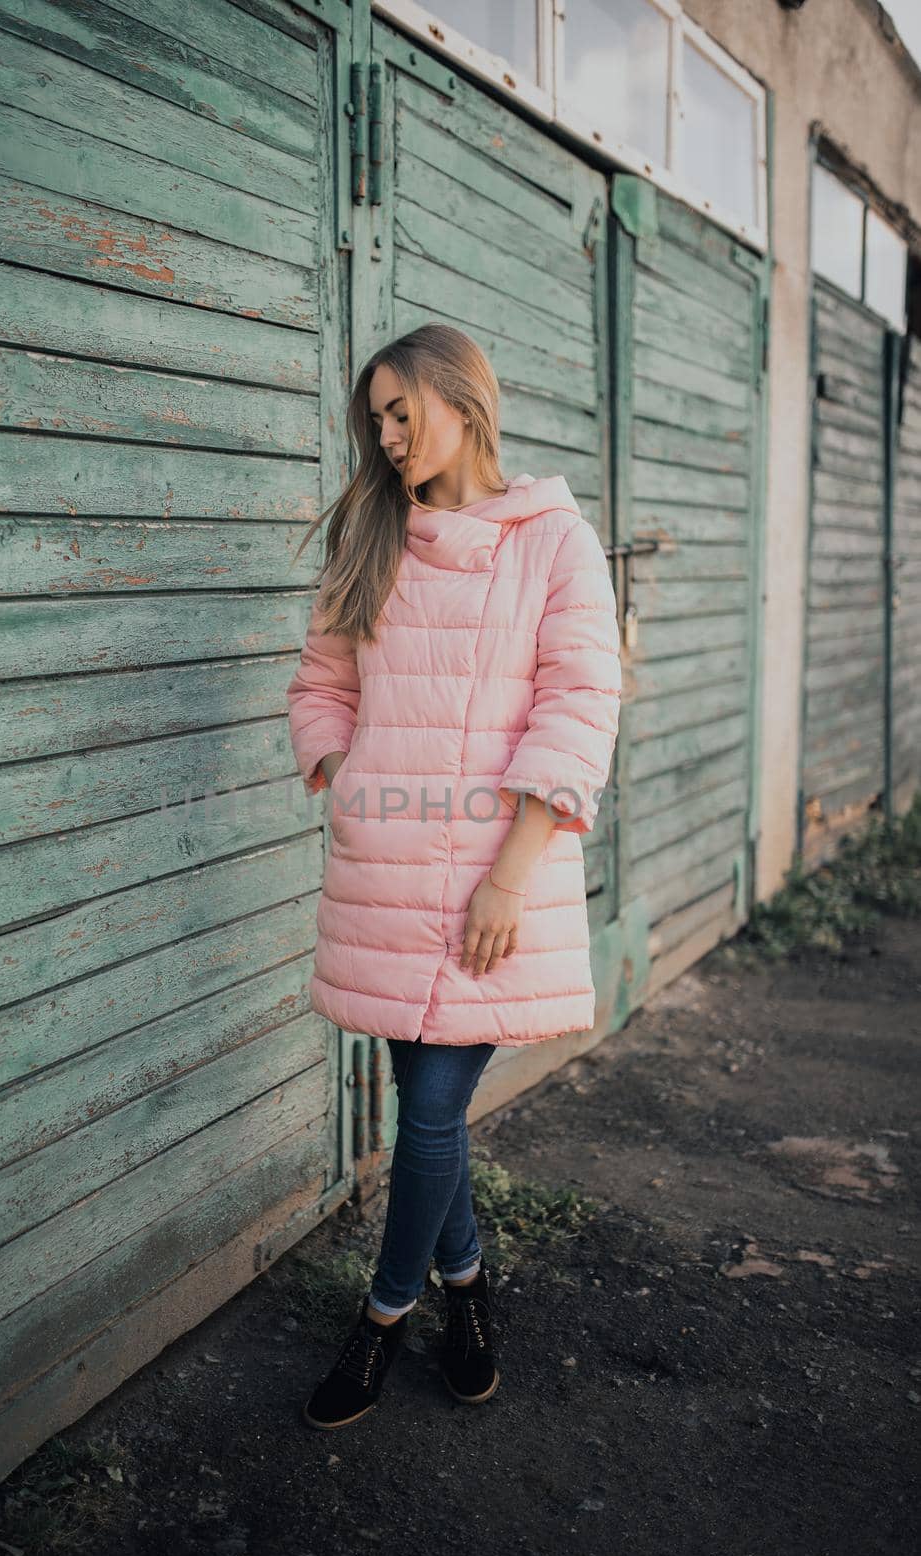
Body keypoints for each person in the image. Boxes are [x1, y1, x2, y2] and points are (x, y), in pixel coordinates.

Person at [285, 323, 621, 1429]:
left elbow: (578, 708)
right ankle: (469, 1292)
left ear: (462, 400)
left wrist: (511, 877)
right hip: (386, 871)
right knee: (431, 1118)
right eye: (372, 419)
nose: (383, 437)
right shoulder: (373, 532)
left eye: (399, 412)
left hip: (492, 878)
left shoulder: (555, 539)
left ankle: (382, 1321)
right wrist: (345, 770)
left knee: (430, 1108)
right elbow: (323, 680)